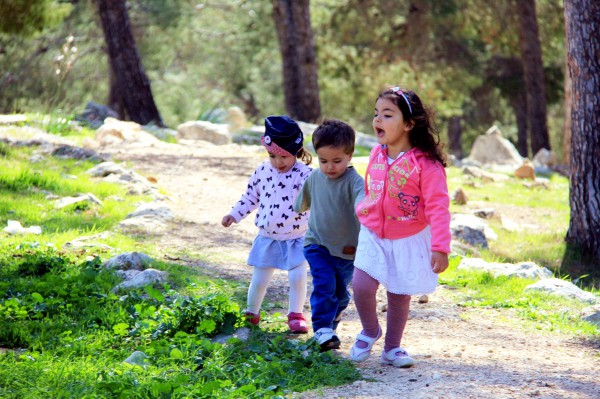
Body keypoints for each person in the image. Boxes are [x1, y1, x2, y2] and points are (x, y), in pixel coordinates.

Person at [350, 86, 451, 368]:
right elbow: (372, 189)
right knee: (361, 285)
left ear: (408, 123)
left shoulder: (427, 165)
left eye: (387, 114)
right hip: (373, 233)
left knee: (399, 292)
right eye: (376, 114)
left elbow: (438, 207)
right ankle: (370, 331)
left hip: (408, 236)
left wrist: (440, 247)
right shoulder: (376, 153)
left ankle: (392, 348)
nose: (377, 120)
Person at [221, 115, 313, 333]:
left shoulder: (305, 175)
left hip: (296, 237)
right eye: (272, 156)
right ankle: (252, 312)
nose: (278, 162)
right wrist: (234, 214)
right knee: (260, 277)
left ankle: (296, 314)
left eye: (284, 157)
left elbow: (318, 203)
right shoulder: (262, 171)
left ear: (297, 152)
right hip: (267, 237)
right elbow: (250, 197)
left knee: (297, 277)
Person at [294, 119, 365, 352]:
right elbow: (302, 203)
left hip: (347, 249)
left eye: (337, 161)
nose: (329, 167)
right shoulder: (314, 177)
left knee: (340, 294)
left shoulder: (355, 182)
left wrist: (366, 210)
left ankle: (330, 326)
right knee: (324, 285)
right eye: (323, 161)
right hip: (317, 243)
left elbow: (363, 203)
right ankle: (322, 328)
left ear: (350, 155)